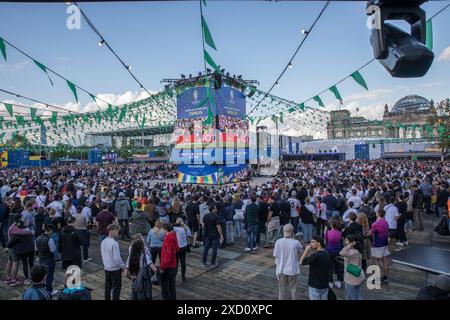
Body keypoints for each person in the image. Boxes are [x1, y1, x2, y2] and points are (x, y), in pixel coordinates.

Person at [273, 224, 303, 300]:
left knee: (282, 291)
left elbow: (276, 256)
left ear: (283, 231)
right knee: (294, 290)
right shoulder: (296, 242)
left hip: (281, 270)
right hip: (293, 270)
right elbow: (301, 251)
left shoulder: (278, 242)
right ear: (292, 232)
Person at [125, 235, 157, 300]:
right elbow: (154, 269)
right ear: (142, 247)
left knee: (135, 296)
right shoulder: (145, 257)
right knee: (145, 296)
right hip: (144, 280)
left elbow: (125, 273)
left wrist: (131, 277)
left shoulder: (130, 257)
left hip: (135, 280)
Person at [300, 236, 332, 300]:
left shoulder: (315, 256)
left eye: (313, 242)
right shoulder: (327, 254)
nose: (310, 244)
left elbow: (301, 262)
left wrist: (306, 250)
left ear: (319, 243)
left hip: (314, 285)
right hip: (325, 285)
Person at [101, 224, 125, 300]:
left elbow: (103, 254)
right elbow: (117, 259)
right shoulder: (114, 243)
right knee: (116, 289)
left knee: (107, 287)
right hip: (115, 269)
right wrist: (123, 267)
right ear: (111, 231)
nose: (118, 232)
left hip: (106, 268)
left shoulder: (103, 241)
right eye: (117, 230)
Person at [8, 220, 35, 285]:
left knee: (25, 265)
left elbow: (9, 244)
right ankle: (33, 277)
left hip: (22, 251)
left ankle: (27, 279)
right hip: (31, 249)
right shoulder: (29, 232)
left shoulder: (16, 234)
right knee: (31, 264)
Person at [340, 234, 365, 300]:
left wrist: (350, 245)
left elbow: (341, 252)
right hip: (358, 277)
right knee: (357, 296)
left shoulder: (352, 252)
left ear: (353, 242)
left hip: (351, 278)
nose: (345, 242)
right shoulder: (358, 251)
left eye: (347, 241)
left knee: (349, 297)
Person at [35, 224, 57, 293]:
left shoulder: (38, 238)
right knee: (49, 276)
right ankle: (49, 290)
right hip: (49, 259)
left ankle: (43, 288)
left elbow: (36, 249)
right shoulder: (50, 239)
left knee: (43, 275)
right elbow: (53, 250)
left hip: (41, 259)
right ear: (50, 231)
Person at [160, 223, 179, 300]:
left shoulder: (167, 238)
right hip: (173, 264)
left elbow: (168, 253)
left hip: (167, 266)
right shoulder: (174, 235)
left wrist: (162, 266)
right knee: (172, 285)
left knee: (164, 286)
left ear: (165, 229)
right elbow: (177, 249)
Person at [370, 209, 390, 283]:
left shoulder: (375, 223)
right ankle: (385, 277)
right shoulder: (386, 222)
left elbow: (370, 233)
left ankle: (376, 278)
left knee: (376, 261)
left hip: (377, 244)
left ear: (377, 214)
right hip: (385, 243)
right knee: (385, 261)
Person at [325, 219, 344, 289]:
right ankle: (339, 281)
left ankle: (330, 282)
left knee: (329, 267)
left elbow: (326, 241)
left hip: (329, 250)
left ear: (331, 225)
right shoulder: (340, 233)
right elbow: (341, 241)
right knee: (339, 266)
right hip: (338, 251)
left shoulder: (328, 232)